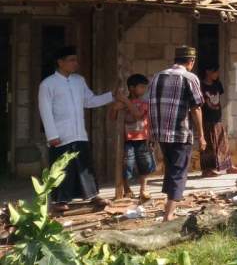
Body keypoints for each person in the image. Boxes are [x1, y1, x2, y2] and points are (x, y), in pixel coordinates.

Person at [38, 46, 120, 212]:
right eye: (71, 60)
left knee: (84, 165)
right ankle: (60, 200)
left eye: (76, 60)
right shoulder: (48, 84)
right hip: (60, 134)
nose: (75, 63)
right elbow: (45, 110)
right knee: (61, 168)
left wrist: (111, 96)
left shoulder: (79, 80)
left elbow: (89, 101)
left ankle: (92, 195)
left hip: (79, 133)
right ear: (60, 62)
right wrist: (51, 135)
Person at [148, 46, 206, 221]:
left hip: (161, 134)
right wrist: (201, 135)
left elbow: (151, 105)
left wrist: (151, 132)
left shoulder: (157, 76)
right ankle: (169, 214)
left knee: (171, 169)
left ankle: (169, 205)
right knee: (179, 171)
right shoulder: (190, 77)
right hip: (180, 133)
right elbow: (196, 108)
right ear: (191, 61)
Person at [108, 74, 156, 201]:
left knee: (145, 164)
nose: (144, 90)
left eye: (145, 87)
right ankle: (126, 188)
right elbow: (112, 117)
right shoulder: (123, 102)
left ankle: (143, 189)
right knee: (126, 164)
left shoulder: (145, 102)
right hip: (127, 139)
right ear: (132, 87)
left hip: (142, 138)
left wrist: (125, 101)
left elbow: (138, 115)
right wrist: (114, 107)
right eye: (141, 87)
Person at [199, 64, 237, 177]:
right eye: (215, 72)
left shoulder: (217, 84)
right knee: (208, 145)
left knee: (222, 143)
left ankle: (228, 166)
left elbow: (218, 100)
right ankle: (207, 169)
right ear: (208, 71)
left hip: (217, 118)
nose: (217, 74)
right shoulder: (201, 86)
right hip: (206, 119)